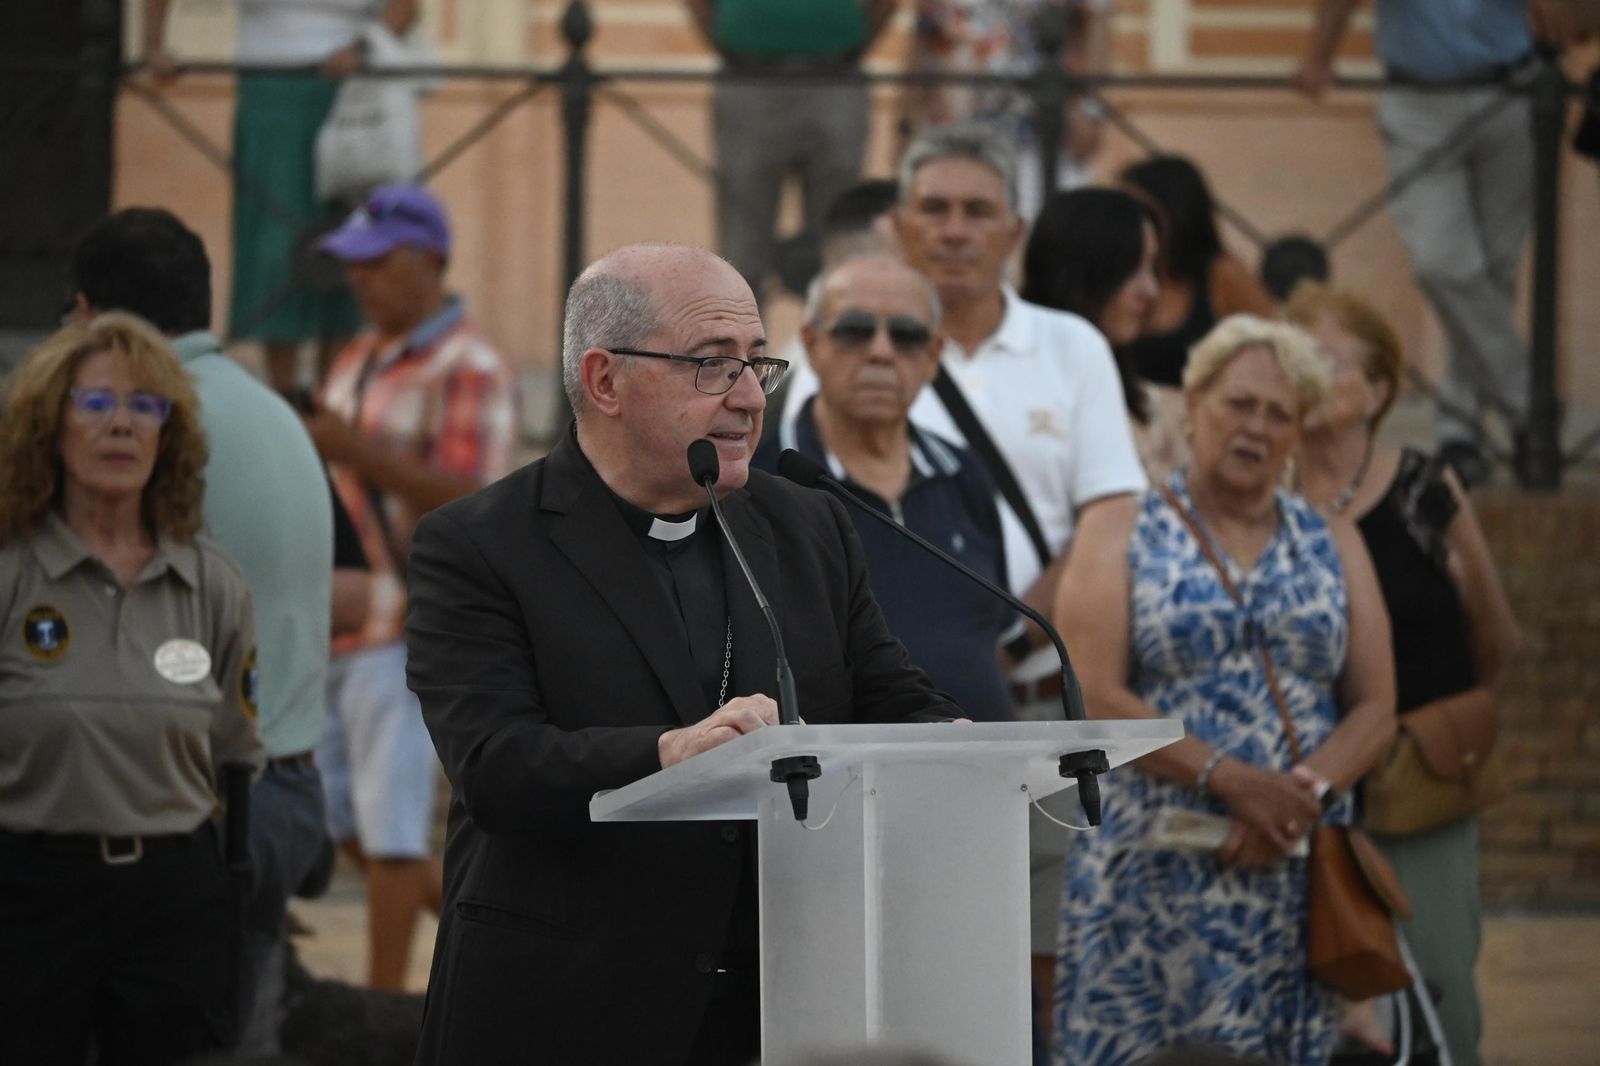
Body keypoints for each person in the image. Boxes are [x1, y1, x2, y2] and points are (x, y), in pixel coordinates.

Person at [403, 242, 961, 1065]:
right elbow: (497, 764)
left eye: (756, 365)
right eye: (711, 365)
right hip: (569, 1006)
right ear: (604, 381)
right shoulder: (481, 546)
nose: (746, 398)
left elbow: (890, 694)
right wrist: (673, 753)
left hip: (781, 1006)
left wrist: (973, 745)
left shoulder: (806, 526)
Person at [1051, 314, 1397, 1065]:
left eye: (1279, 414)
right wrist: (1235, 781)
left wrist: (1293, 800)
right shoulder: (1121, 527)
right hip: (1152, 864)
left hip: (1286, 860)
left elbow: (1376, 705)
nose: (1257, 427)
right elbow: (1096, 695)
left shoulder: (1333, 538)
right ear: (1192, 407)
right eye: (1238, 404)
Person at [889, 123, 1148, 1044]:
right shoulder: (863, 341)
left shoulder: (1069, 346)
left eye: (977, 211)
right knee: (905, 955)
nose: (955, 230)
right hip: (897, 716)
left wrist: (1008, 629)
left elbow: (1112, 509)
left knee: (1038, 974)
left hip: (1040, 704)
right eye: (935, 209)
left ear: (1014, 229)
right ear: (899, 224)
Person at [66, 206, 338, 1054]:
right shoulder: (272, 414)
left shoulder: (140, 426)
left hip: (188, 810)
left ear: (88, 313)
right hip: (279, 793)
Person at [0, 313, 264, 1064]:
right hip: (28, 897)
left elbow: (237, 756)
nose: (122, 425)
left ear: (167, 433)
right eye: (96, 404)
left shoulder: (212, 582)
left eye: (145, 406)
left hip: (171, 902)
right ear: (50, 426)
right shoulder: (11, 575)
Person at [1290, 283, 1521, 1066]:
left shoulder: (1425, 488)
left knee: (1439, 976)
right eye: (1290, 360)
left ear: (1379, 388)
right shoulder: (1265, 495)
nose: (1300, 378)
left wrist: (1440, 726)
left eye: (1322, 361)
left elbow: (1494, 634)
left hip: (1416, 778)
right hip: (1295, 785)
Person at [307, 182, 516, 990]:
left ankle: (386, 1013)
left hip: (410, 629)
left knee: (391, 831)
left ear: (428, 261)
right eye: (352, 266)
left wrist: (352, 450)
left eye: (375, 263)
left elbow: (477, 501)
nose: (359, 280)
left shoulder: (476, 366)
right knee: (329, 817)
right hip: (340, 618)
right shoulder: (362, 352)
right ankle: (483, 932)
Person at [756, 252, 1013, 720]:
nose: (881, 351)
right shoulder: (762, 479)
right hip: (842, 785)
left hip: (990, 777)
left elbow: (989, 628)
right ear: (811, 345)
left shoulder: (962, 472)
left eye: (907, 336)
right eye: (855, 330)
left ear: (934, 356)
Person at [1295, 0, 1536, 486]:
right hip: (1417, 95)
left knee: (1493, 273)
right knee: (1443, 265)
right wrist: (1320, 54)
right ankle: (1529, 407)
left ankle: (1460, 433)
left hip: (1513, 88)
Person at [140, 0, 419, 393]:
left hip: (357, 95)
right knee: (276, 246)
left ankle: (333, 402)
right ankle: (285, 399)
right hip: (272, 91)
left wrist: (360, 50)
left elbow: (405, 8)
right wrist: (153, 46)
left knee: (352, 246)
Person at [686, 0, 896, 296]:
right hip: (750, 78)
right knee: (741, 250)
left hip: (835, 76)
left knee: (841, 240)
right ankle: (739, 338)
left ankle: (841, 336)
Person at [1020, 185, 1182, 479]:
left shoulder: (1161, 410)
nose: (1151, 290)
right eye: (1132, 268)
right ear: (1079, 271)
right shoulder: (1002, 387)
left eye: (1152, 268)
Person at [904, 0, 1111, 219]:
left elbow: (1092, 44)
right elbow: (922, 51)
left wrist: (1088, 113)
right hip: (952, 145)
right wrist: (908, 134)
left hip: (1040, 147)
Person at [1118, 155, 1277, 391]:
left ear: (1174, 212)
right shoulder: (1119, 276)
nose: (1126, 223)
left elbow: (1279, 346)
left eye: (1141, 212)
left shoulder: (1221, 275)